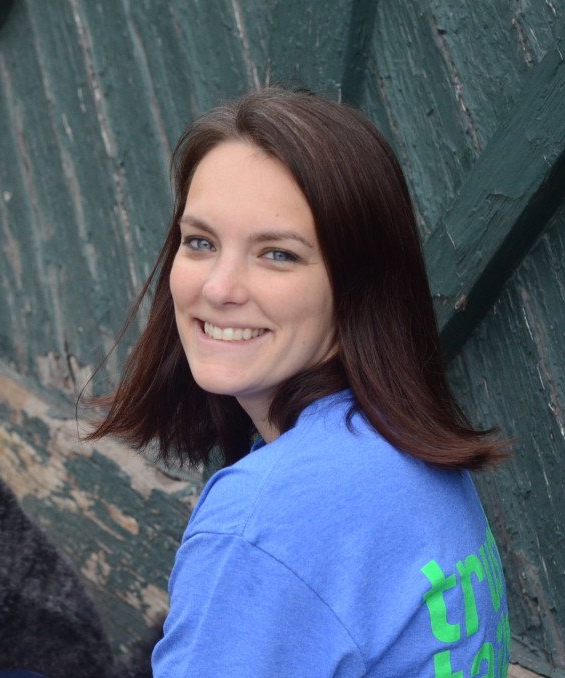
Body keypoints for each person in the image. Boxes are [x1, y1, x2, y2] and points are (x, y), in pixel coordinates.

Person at [85, 86, 511, 676]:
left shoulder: (262, 524)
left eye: (278, 254)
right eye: (201, 242)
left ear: (357, 285)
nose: (219, 288)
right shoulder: (407, 453)